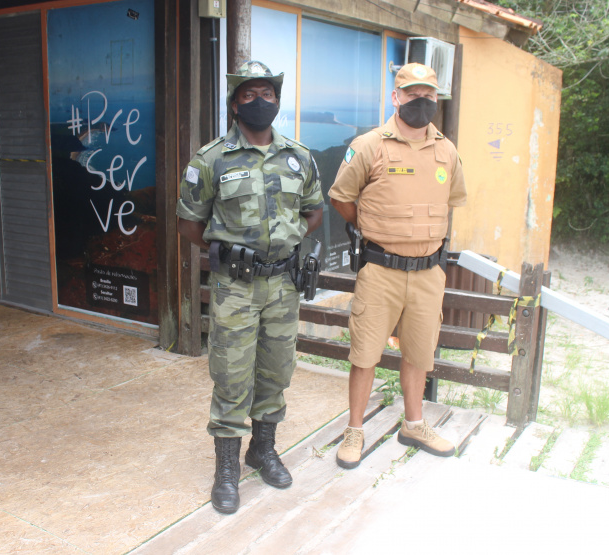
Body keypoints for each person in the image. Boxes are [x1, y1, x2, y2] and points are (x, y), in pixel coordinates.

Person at [176, 61, 324, 514]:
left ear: (277, 101)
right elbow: (188, 223)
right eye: (249, 94)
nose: (261, 101)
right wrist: (232, 253)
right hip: (235, 288)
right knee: (231, 374)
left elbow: (314, 210)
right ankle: (226, 467)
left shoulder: (299, 156)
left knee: (276, 370)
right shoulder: (212, 158)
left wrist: (285, 246)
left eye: (268, 93)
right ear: (235, 103)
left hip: (283, 284)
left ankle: (262, 449)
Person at [327, 63, 467, 469]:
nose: (421, 102)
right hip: (381, 270)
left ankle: (415, 424)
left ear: (436, 101)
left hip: (428, 273)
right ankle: (355, 430)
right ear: (396, 98)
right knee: (365, 352)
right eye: (412, 94)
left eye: (429, 95)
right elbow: (341, 199)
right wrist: (376, 228)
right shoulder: (369, 145)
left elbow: (451, 201)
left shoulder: (447, 150)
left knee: (420, 352)